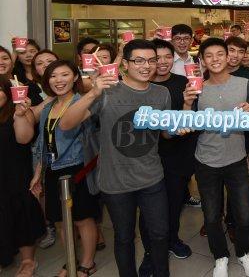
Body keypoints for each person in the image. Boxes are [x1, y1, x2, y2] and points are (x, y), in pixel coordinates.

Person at [61, 39, 172, 277]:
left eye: (152, 60)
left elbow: (165, 133)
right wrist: (93, 92)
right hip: (115, 182)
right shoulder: (108, 92)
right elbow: (66, 124)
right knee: (124, 237)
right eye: (139, 60)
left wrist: (181, 121)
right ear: (125, 64)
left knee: (160, 234)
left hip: (152, 178)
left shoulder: (162, 93)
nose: (147, 66)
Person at [21, 60, 100, 277]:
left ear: (75, 77)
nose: (59, 80)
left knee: (83, 218)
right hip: (53, 169)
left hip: (78, 169)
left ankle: (87, 262)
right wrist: (38, 172)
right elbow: (42, 143)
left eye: (64, 75)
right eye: (53, 76)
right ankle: (71, 260)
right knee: (61, 221)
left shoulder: (82, 102)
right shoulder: (48, 106)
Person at [190, 38, 249, 277]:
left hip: (237, 159)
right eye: (209, 55)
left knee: (243, 212)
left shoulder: (245, 83)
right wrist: (188, 102)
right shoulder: (196, 88)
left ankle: (243, 252)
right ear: (202, 60)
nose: (216, 59)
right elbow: (186, 124)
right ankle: (220, 256)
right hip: (206, 160)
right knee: (211, 214)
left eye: (220, 53)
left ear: (229, 55)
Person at [137, 39, 197, 274]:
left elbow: (193, 118)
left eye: (166, 57)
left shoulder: (185, 83)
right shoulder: (140, 84)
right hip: (146, 157)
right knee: (148, 210)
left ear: (174, 59)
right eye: (156, 58)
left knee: (173, 204)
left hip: (177, 156)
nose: (161, 62)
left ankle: (172, 240)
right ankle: (150, 252)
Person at [0, 78, 45, 275]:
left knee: (20, 213)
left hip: (14, 172)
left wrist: (20, 115)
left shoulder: (17, 111)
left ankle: (28, 261)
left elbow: (25, 138)